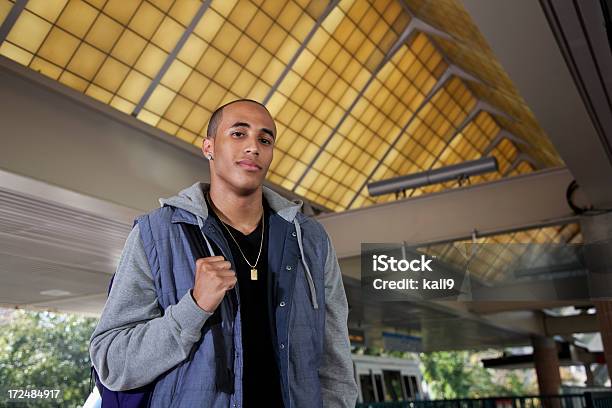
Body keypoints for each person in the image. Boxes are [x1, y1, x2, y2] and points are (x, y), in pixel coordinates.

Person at [89, 99, 358, 407]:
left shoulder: (309, 238)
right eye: (238, 134)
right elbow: (111, 362)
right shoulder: (157, 234)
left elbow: (335, 360)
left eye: (265, 139)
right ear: (209, 148)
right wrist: (194, 306)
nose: (253, 147)